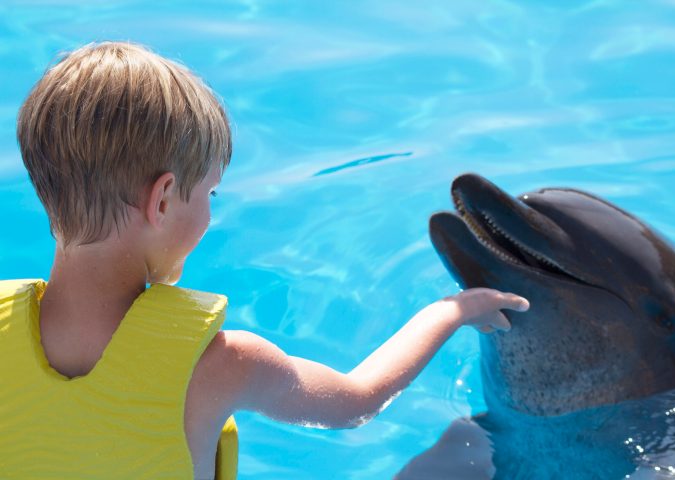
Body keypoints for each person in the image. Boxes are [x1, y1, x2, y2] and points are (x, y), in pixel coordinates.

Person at [1, 41, 529, 480]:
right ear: (162, 201)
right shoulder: (221, 365)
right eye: (209, 193)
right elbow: (357, 402)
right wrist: (452, 311)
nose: (211, 212)